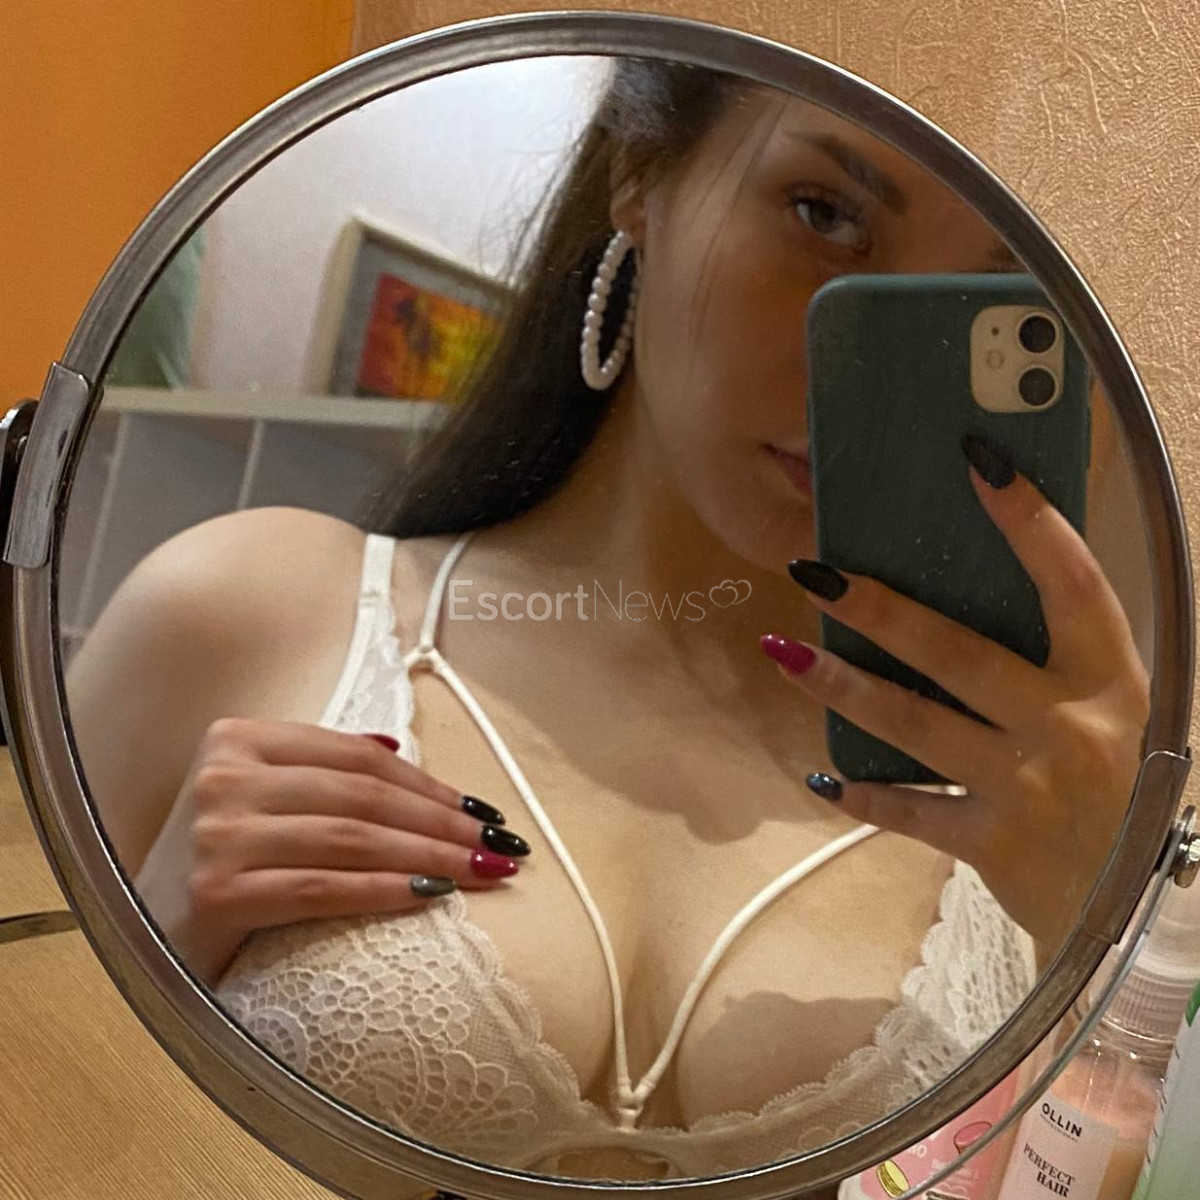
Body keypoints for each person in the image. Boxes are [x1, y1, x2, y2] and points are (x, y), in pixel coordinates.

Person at [65, 60, 1149, 1181]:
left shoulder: (1030, 803)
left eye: (979, 298)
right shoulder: (242, 613)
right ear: (642, 173)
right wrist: (159, 941)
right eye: (825, 214)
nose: (858, 376)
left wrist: (1101, 927)